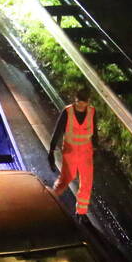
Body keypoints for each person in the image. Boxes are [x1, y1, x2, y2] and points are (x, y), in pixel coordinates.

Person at [48, 87, 97, 217]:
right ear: (75, 100)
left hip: (86, 152)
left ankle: (81, 213)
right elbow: (58, 131)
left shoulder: (92, 112)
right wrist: (51, 150)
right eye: (78, 101)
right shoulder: (67, 112)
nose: (80, 104)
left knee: (87, 182)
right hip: (70, 151)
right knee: (66, 179)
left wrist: (95, 148)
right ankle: (50, 200)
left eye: (83, 102)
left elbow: (95, 132)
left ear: (88, 102)